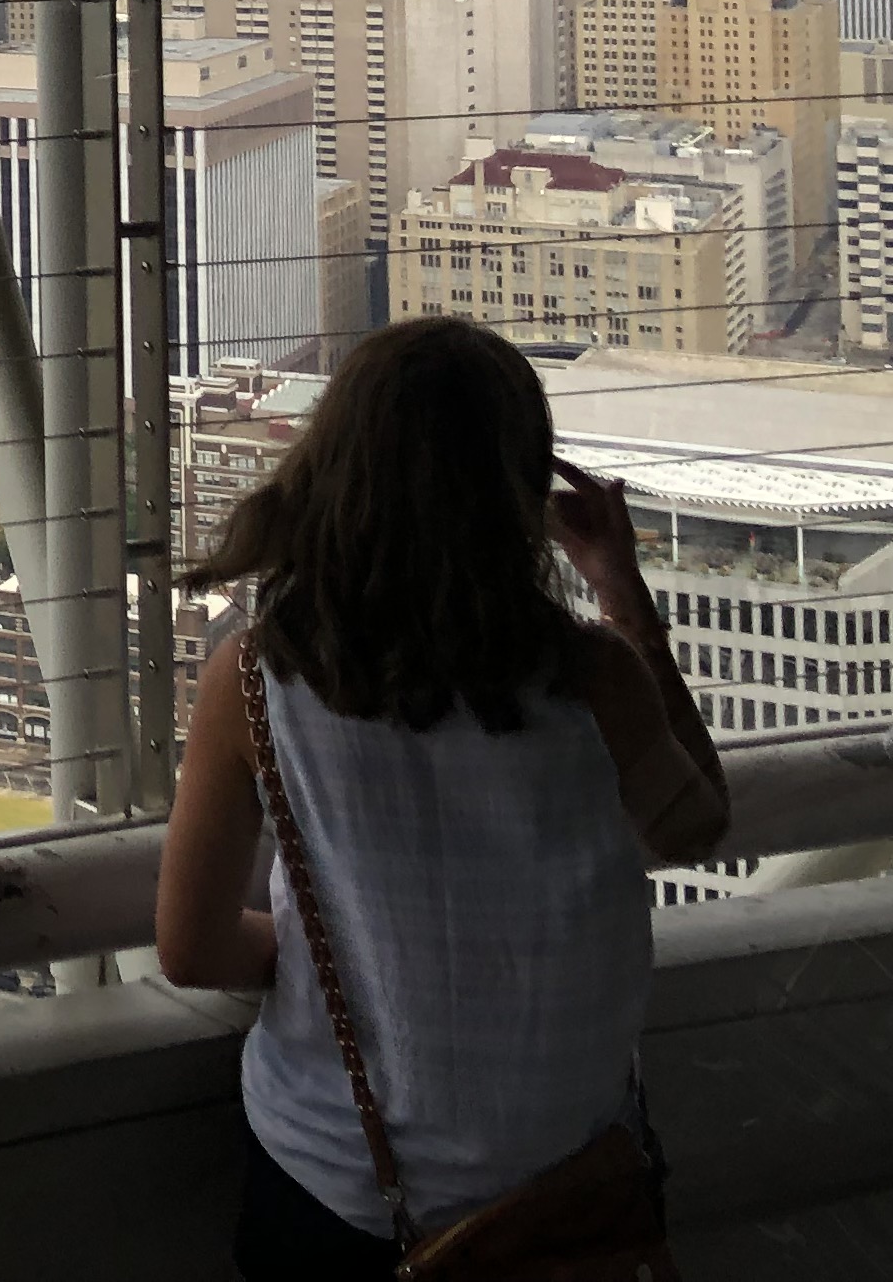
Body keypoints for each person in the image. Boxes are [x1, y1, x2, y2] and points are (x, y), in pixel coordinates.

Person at [152, 316, 726, 1279]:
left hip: (340, 1186)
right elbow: (699, 823)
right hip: (565, 1191)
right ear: (522, 488)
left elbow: (192, 946)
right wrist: (623, 594)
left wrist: (348, 955)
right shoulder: (594, 677)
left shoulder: (254, 681)